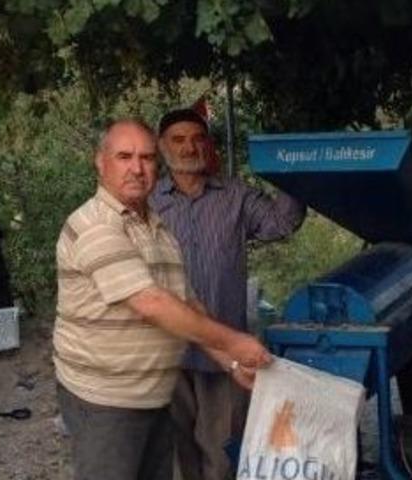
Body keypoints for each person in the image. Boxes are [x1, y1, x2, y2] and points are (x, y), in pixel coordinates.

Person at [53, 119, 271, 480]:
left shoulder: (157, 226)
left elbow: (186, 302)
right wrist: (235, 341)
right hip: (106, 400)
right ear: (100, 161)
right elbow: (152, 303)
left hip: (154, 396)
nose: (137, 168)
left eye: (147, 158)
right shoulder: (94, 225)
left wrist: (231, 362)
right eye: (124, 156)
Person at [149, 108, 306, 480]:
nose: (189, 147)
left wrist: (291, 169)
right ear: (162, 147)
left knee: (223, 451)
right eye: (179, 140)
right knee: (174, 453)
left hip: (225, 350)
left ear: (209, 144)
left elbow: (281, 223)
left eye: (197, 138)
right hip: (165, 350)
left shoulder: (234, 196)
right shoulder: (148, 203)